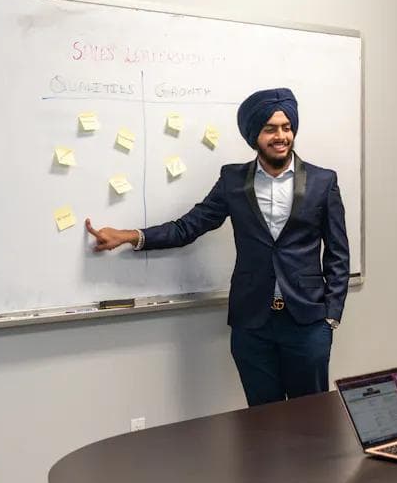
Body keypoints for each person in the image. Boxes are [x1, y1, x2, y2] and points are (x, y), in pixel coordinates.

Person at [85, 87, 349, 407]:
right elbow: (187, 227)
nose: (280, 136)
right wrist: (130, 236)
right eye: (270, 129)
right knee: (263, 418)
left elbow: (338, 254)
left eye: (286, 127)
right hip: (252, 324)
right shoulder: (232, 181)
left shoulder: (323, 181)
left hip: (307, 323)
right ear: (254, 135)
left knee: (312, 417)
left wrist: (331, 316)